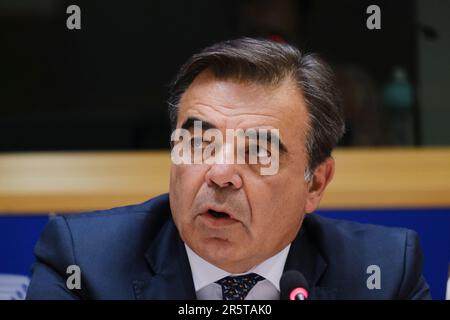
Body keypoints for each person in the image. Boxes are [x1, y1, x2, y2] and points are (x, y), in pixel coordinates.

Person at [26, 38, 430, 300]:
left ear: (316, 183)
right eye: (198, 143)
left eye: (258, 153)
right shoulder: (83, 264)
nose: (220, 173)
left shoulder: (383, 273)